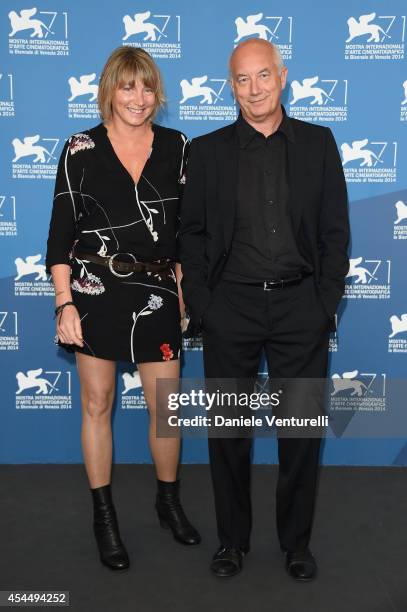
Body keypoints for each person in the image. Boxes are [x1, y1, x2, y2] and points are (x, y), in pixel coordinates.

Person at [179, 38, 349, 580]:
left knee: (300, 434)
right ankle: (232, 542)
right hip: (233, 309)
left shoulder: (319, 144)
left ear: (283, 76)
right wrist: (205, 306)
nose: (254, 89)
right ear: (231, 86)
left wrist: (324, 302)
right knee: (229, 433)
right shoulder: (206, 152)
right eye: (242, 79)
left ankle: (296, 544)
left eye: (263, 76)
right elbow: (193, 235)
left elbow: (334, 233)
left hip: (302, 307)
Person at [46, 46, 200, 571]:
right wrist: (63, 302)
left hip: (157, 291)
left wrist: (182, 287)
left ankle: (168, 501)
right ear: (110, 88)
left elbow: (185, 233)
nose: (139, 98)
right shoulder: (81, 148)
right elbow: (60, 235)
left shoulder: (179, 147)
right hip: (93, 291)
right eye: (128, 86)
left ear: (158, 93)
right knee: (97, 403)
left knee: (166, 409)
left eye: (148, 87)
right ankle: (104, 516)